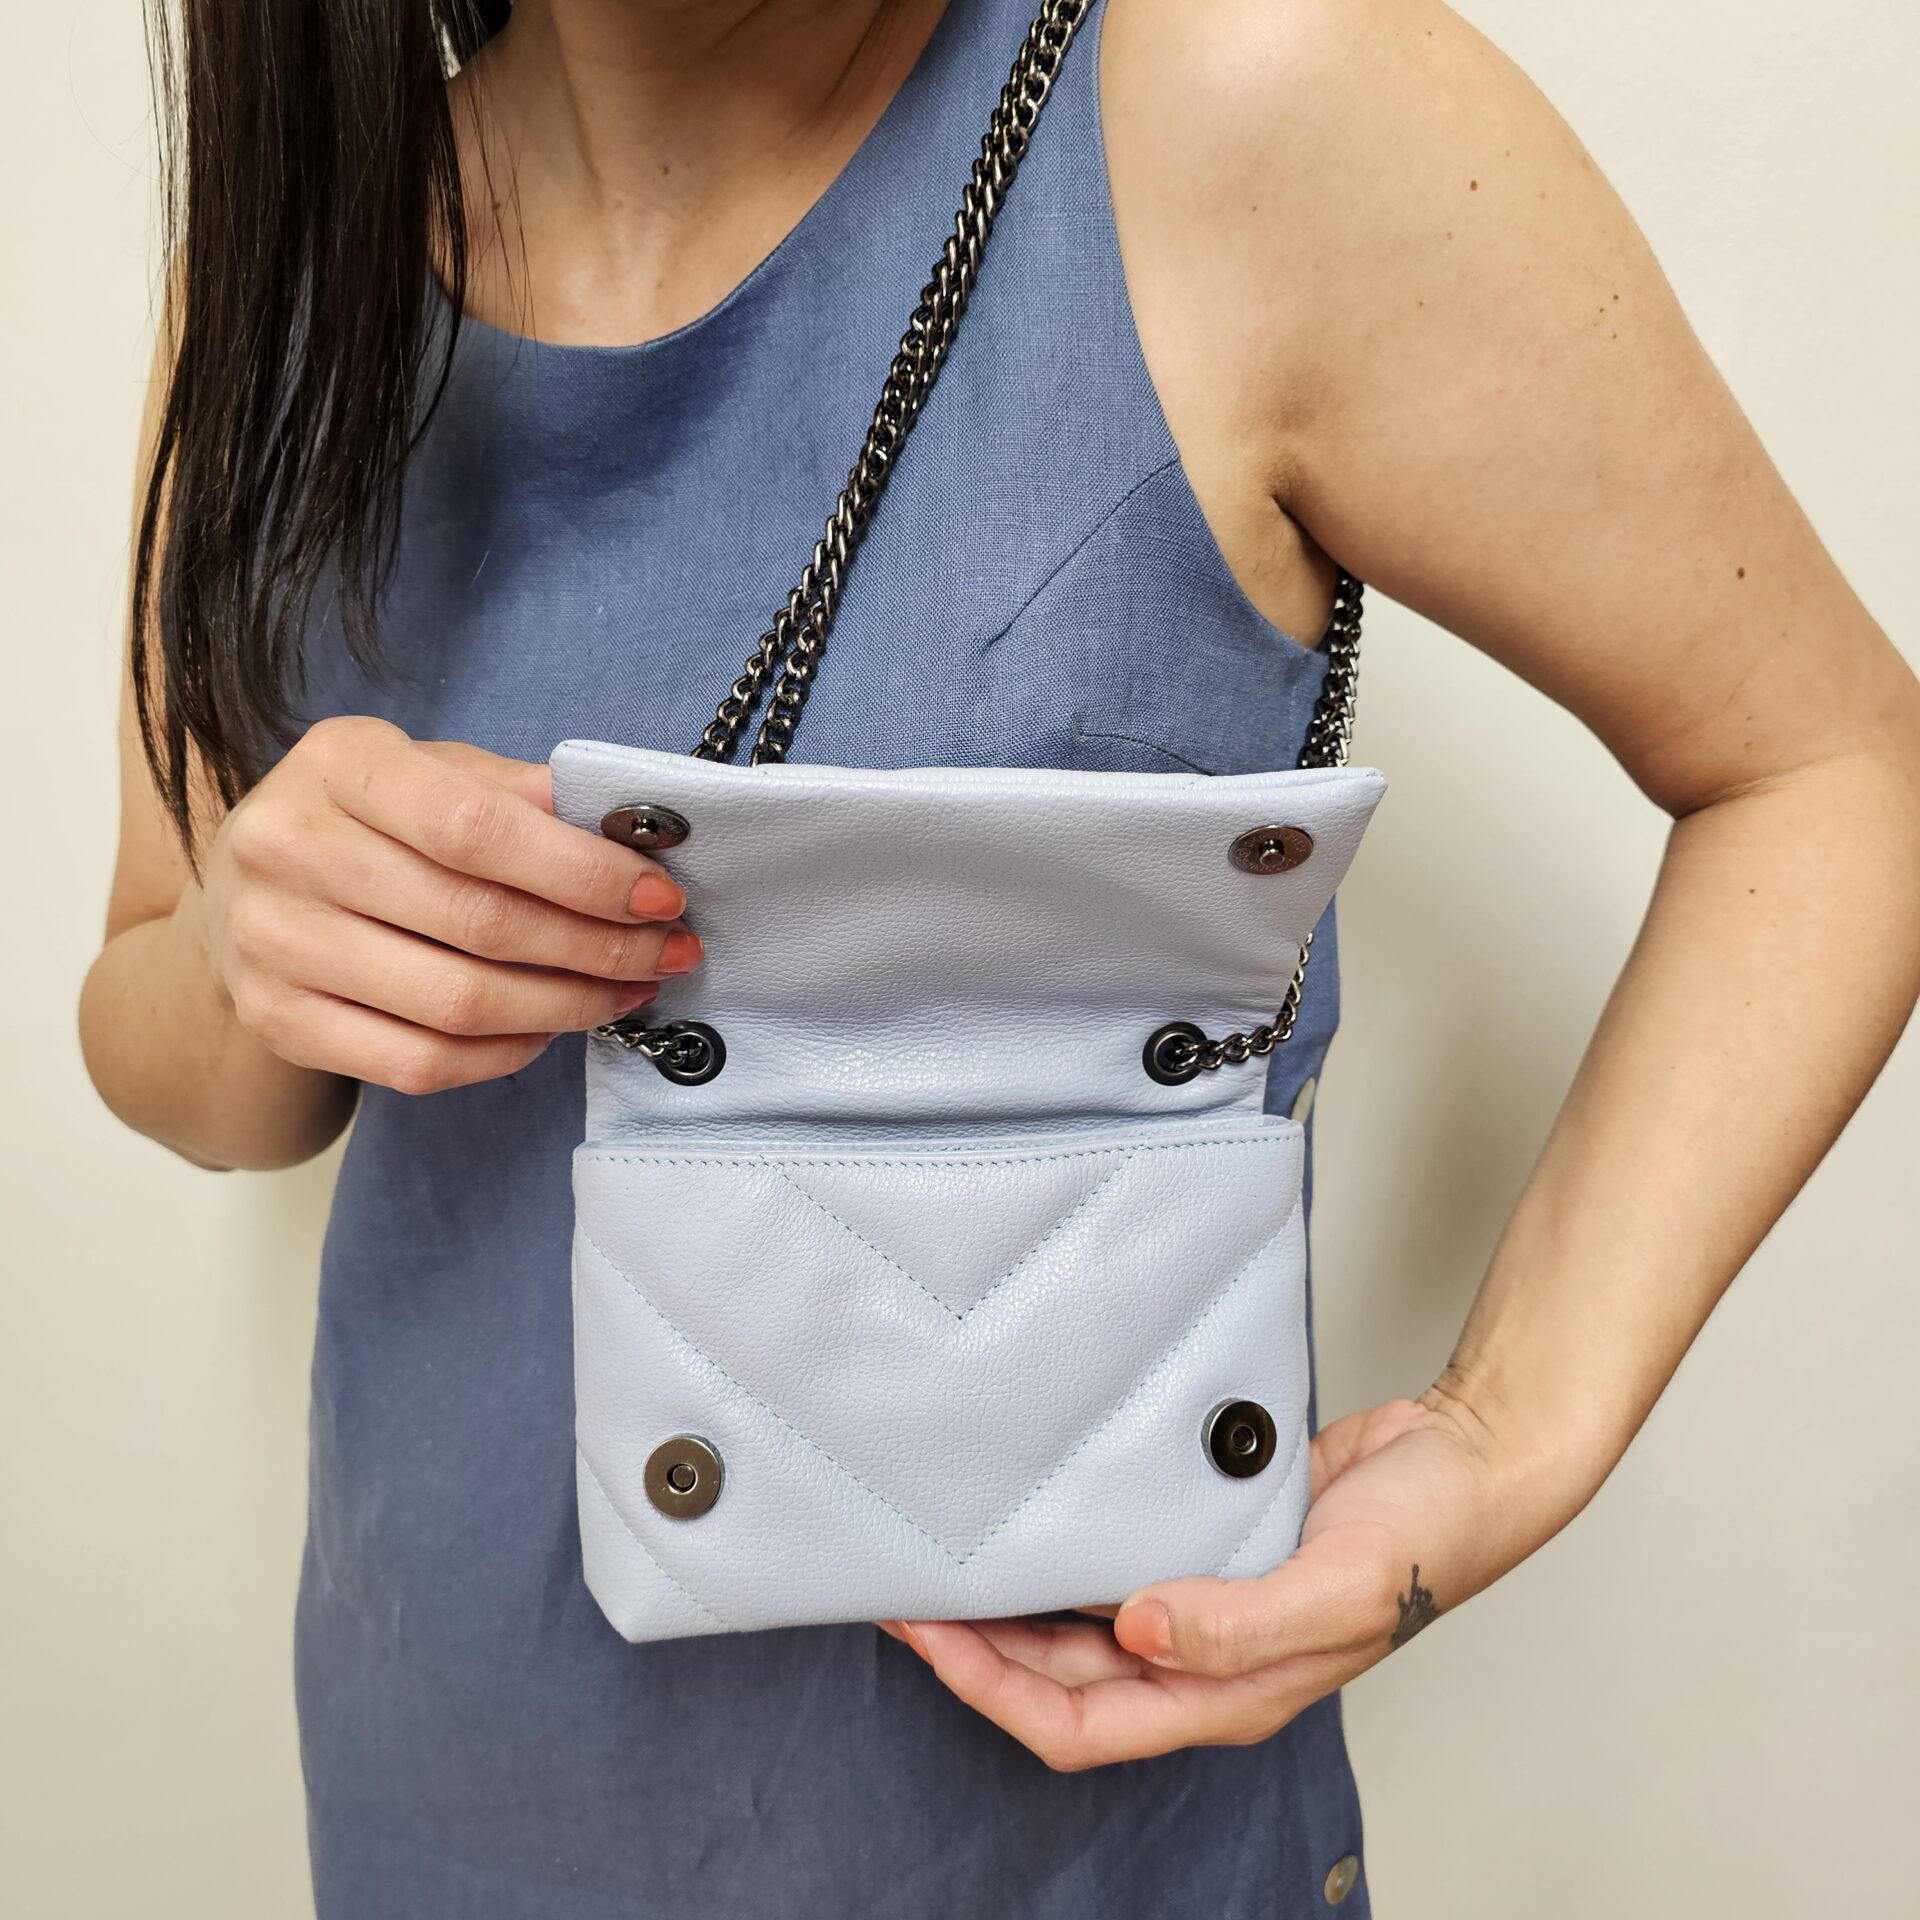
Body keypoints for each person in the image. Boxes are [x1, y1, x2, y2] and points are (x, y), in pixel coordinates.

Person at [79, 0, 1920, 1914]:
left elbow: (1834, 768)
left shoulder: (1245, 109)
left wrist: (1503, 1431)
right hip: (442, 1802)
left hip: (1080, 1854)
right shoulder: (277, 269)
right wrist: (240, 953)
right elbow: (164, 1034)